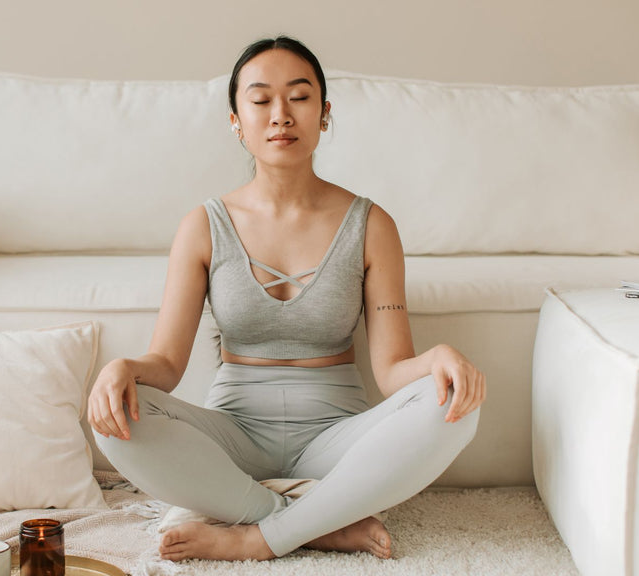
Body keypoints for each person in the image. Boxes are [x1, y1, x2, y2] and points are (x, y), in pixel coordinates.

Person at [88, 36, 485, 562]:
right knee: (115, 419)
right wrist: (123, 368)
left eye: (299, 97)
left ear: (324, 114)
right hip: (232, 441)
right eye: (260, 100)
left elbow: (391, 371)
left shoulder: (371, 225)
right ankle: (314, 524)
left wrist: (437, 360)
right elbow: (166, 363)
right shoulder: (203, 226)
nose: (281, 115)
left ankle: (257, 535)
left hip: (336, 442)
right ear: (236, 120)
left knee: (457, 407)